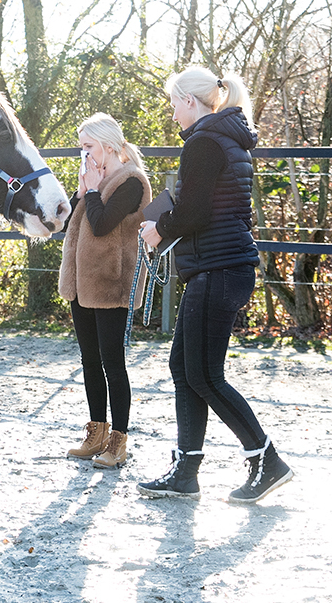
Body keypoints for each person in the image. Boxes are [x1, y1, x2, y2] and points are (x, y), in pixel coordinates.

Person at [137, 66, 293, 503]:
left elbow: (194, 214)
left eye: (173, 104)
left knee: (204, 373)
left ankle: (266, 459)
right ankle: (186, 471)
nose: (172, 114)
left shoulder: (204, 143)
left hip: (217, 268)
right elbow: (228, 212)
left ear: (190, 101)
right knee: (184, 369)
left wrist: (158, 228)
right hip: (223, 266)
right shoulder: (230, 141)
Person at [59, 113, 151, 468]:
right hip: (82, 284)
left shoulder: (131, 182)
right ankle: (96, 432)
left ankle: (119, 440)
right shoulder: (93, 182)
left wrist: (93, 191)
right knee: (89, 360)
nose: (83, 154)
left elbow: (101, 226)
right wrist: (82, 192)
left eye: (87, 146)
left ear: (107, 146)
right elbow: (68, 222)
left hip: (112, 284)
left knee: (113, 362)